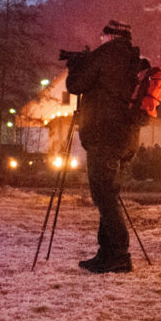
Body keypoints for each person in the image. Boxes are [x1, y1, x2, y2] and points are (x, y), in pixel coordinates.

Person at [66, 20, 143, 274]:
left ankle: (119, 255)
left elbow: (75, 86)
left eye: (104, 36)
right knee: (108, 193)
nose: (101, 40)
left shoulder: (105, 56)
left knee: (104, 196)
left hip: (104, 137)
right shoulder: (132, 59)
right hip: (125, 138)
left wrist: (75, 68)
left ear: (111, 37)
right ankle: (107, 253)